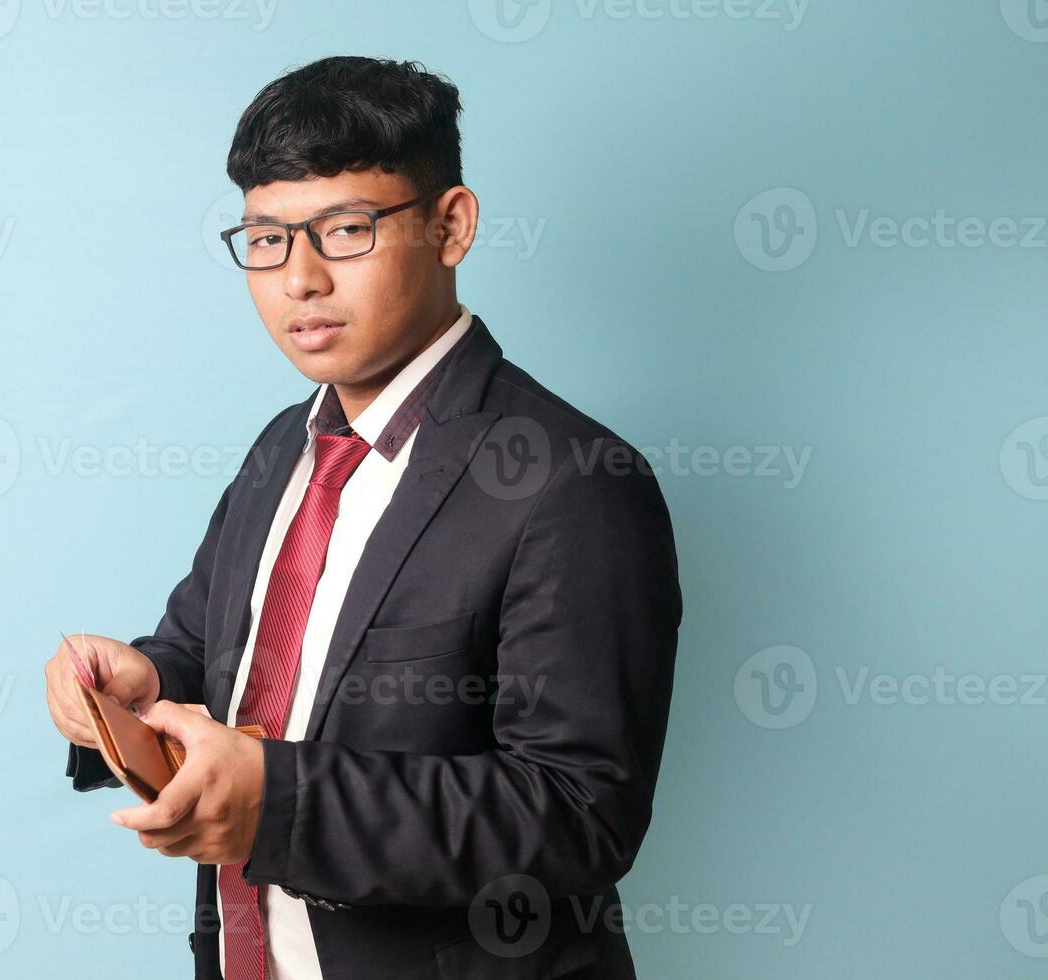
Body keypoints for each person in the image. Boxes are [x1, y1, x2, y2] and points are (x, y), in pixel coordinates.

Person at [45, 55, 682, 980]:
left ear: (449, 225)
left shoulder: (575, 481)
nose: (299, 279)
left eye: (345, 230)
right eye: (265, 240)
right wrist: (138, 686)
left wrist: (281, 806)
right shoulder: (281, 449)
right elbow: (214, 658)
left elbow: (580, 812)